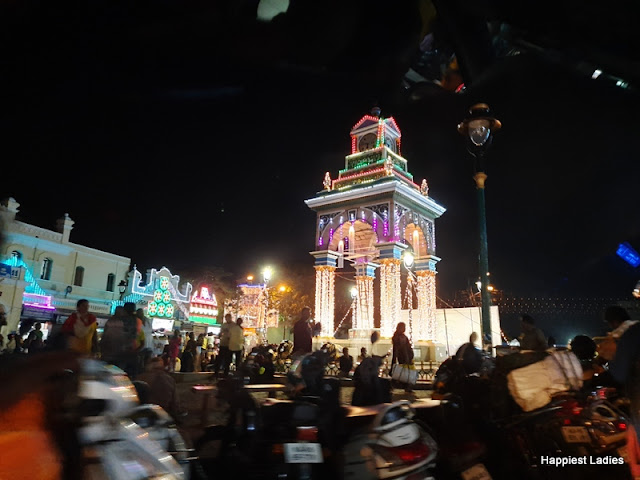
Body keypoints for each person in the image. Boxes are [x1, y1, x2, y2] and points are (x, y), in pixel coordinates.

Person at [135, 357, 182, 421]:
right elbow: (175, 403)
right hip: (162, 414)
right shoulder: (169, 379)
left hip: (142, 414)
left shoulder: (140, 378)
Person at [391, 322, 415, 392]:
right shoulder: (398, 337)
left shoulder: (400, 336)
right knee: (405, 371)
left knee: (404, 371)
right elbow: (399, 348)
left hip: (406, 356)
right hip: (403, 357)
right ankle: (403, 385)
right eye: (403, 327)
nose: (404, 329)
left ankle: (404, 386)